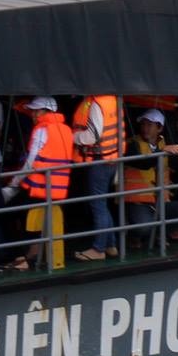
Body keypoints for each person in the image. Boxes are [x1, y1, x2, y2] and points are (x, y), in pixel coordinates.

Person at [0, 96, 77, 272]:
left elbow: (31, 162)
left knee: (7, 213)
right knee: (30, 216)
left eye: (36, 110)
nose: (33, 114)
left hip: (40, 188)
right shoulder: (66, 130)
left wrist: (14, 184)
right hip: (58, 189)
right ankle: (33, 254)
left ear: (46, 112)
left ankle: (21, 258)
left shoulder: (42, 129)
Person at [122, 108, 178, 250]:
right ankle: (135, 237)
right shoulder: (132, 144)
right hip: (138, 202)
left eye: (150, 125)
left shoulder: (166, 144)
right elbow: (143, 163)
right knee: (143, 227)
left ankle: (159, 233)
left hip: (161, 200)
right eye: (143, 124)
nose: (145, 128)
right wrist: (162, 152)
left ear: (160, 128)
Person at [70, 93, 126, 261]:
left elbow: (92, 136)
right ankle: (110, 245)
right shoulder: (113, 100)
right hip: (111, 159)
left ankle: (98, 249)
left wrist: (72, 137)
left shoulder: (96, 103)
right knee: (103, 203)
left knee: (98, 204)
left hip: (99, 161)